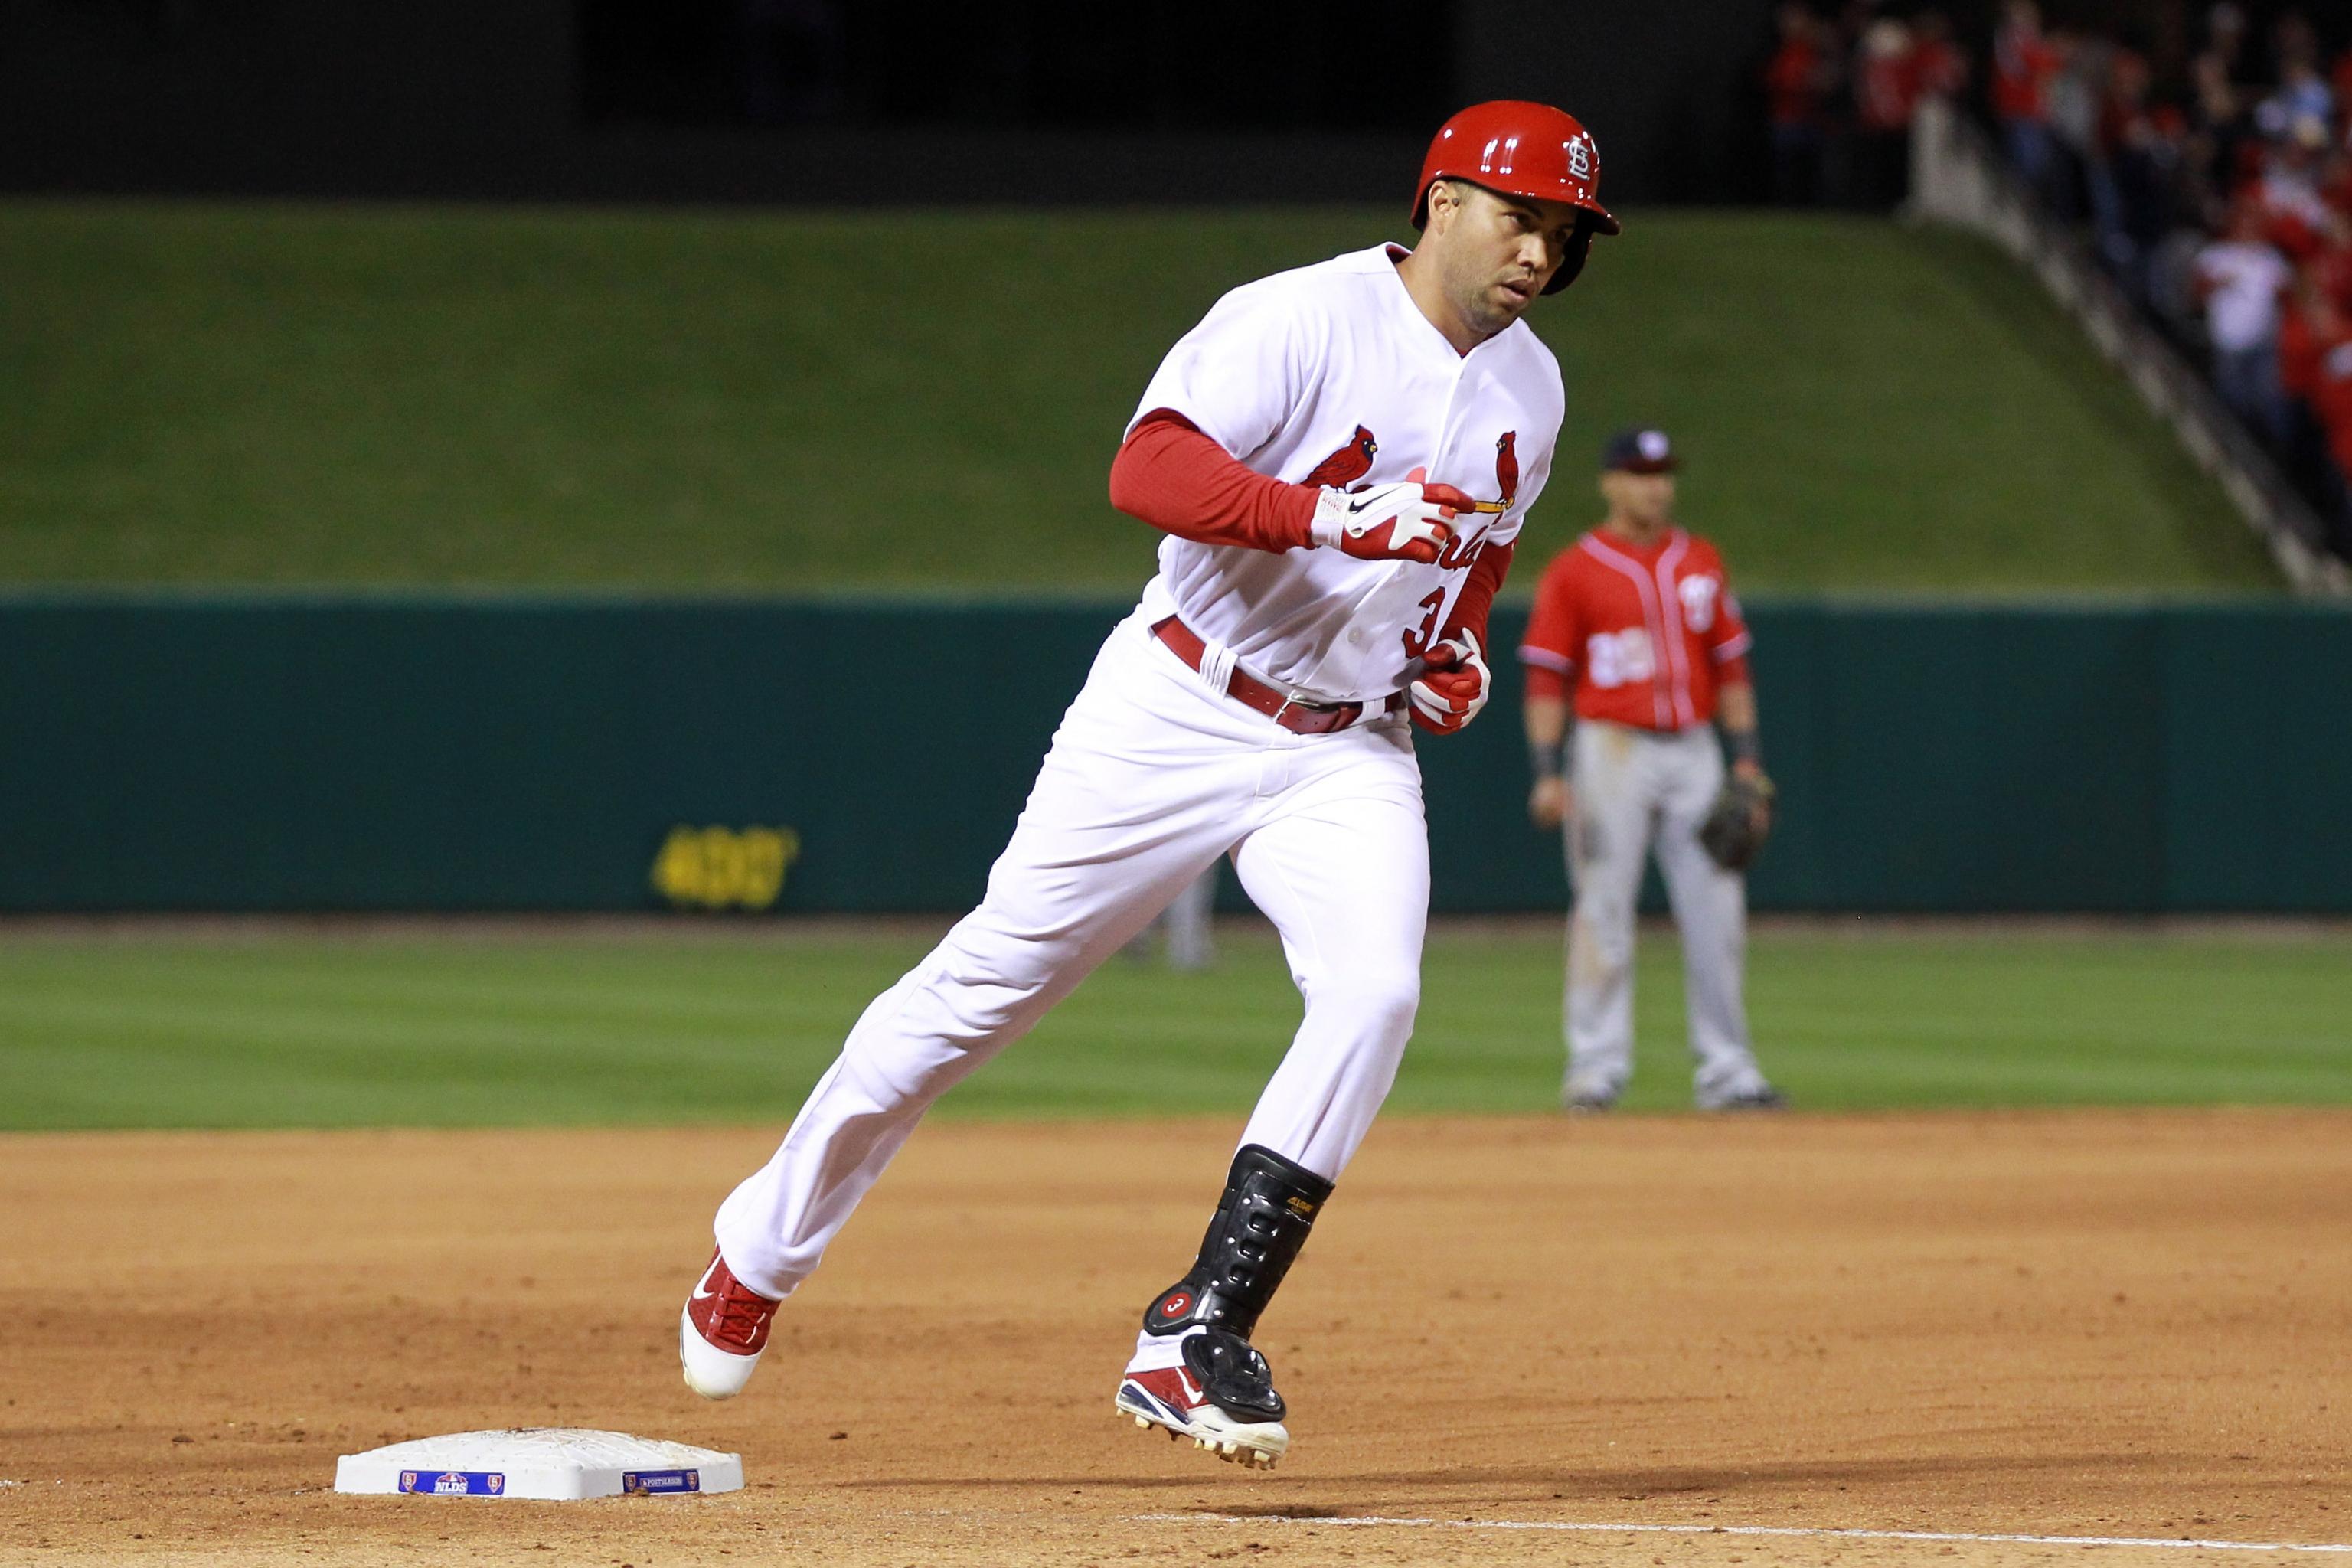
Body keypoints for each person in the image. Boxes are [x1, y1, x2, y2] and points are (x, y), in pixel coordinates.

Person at [675, 100, 1615, 1470]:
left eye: (1566, 231)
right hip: (1179, 699)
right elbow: (1148, 465)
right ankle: (760, 1244)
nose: (1541, 249)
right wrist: (1325, 514)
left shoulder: (1533, 387)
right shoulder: (1298, 318)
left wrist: (1452, 647)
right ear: (1442, 201)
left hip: (1345, 745)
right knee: (982, 988)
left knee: (1375, 993)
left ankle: (1197, 1325)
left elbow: (1473, 556)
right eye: (1521, 215)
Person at [1516, 429, 1782, 1114]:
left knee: (1717, 912)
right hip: (1611, 748)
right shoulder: (1575, 569)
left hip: (1695, 749)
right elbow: (1547, 679)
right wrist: (1548, 770)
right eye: (1639, 472)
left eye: (1663, 472)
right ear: (1610, 483)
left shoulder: (1701, 561)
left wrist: (1746, 761)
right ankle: (1595, 1069)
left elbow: (1732, 668)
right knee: (1603, 908)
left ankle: (1728, 1071)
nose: (1655, 485)